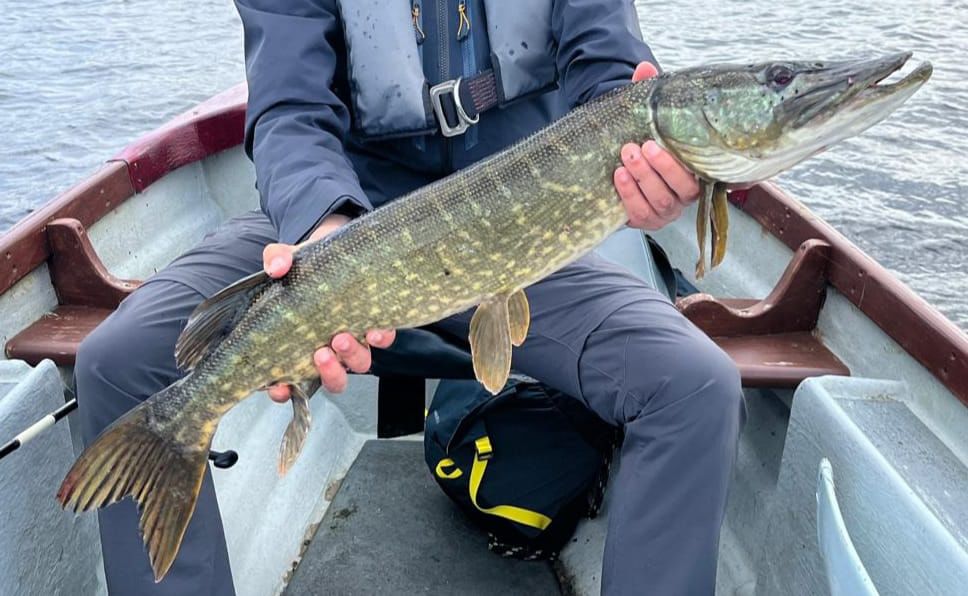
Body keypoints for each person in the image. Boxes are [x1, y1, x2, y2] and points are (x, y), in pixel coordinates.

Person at [74, 0, 746, 594]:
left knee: (693, 385)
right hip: (342, 221)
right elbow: (291, 110)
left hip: (516, 230)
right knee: (122, 359)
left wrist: (645, 160)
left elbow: (608, 69)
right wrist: (321, 228)